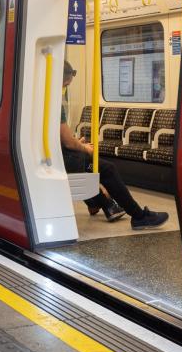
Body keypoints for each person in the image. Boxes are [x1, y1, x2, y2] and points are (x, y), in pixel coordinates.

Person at [61, 60, 169, 230]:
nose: (65, 88)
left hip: (57, 154)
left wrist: (76, 142)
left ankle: (102, 203)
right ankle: (138, 216)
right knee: (106, 169)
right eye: (65, 84)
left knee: (97, 167)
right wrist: (84, 147)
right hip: (64, 158)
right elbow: (67, 141)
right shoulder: (54, 103)